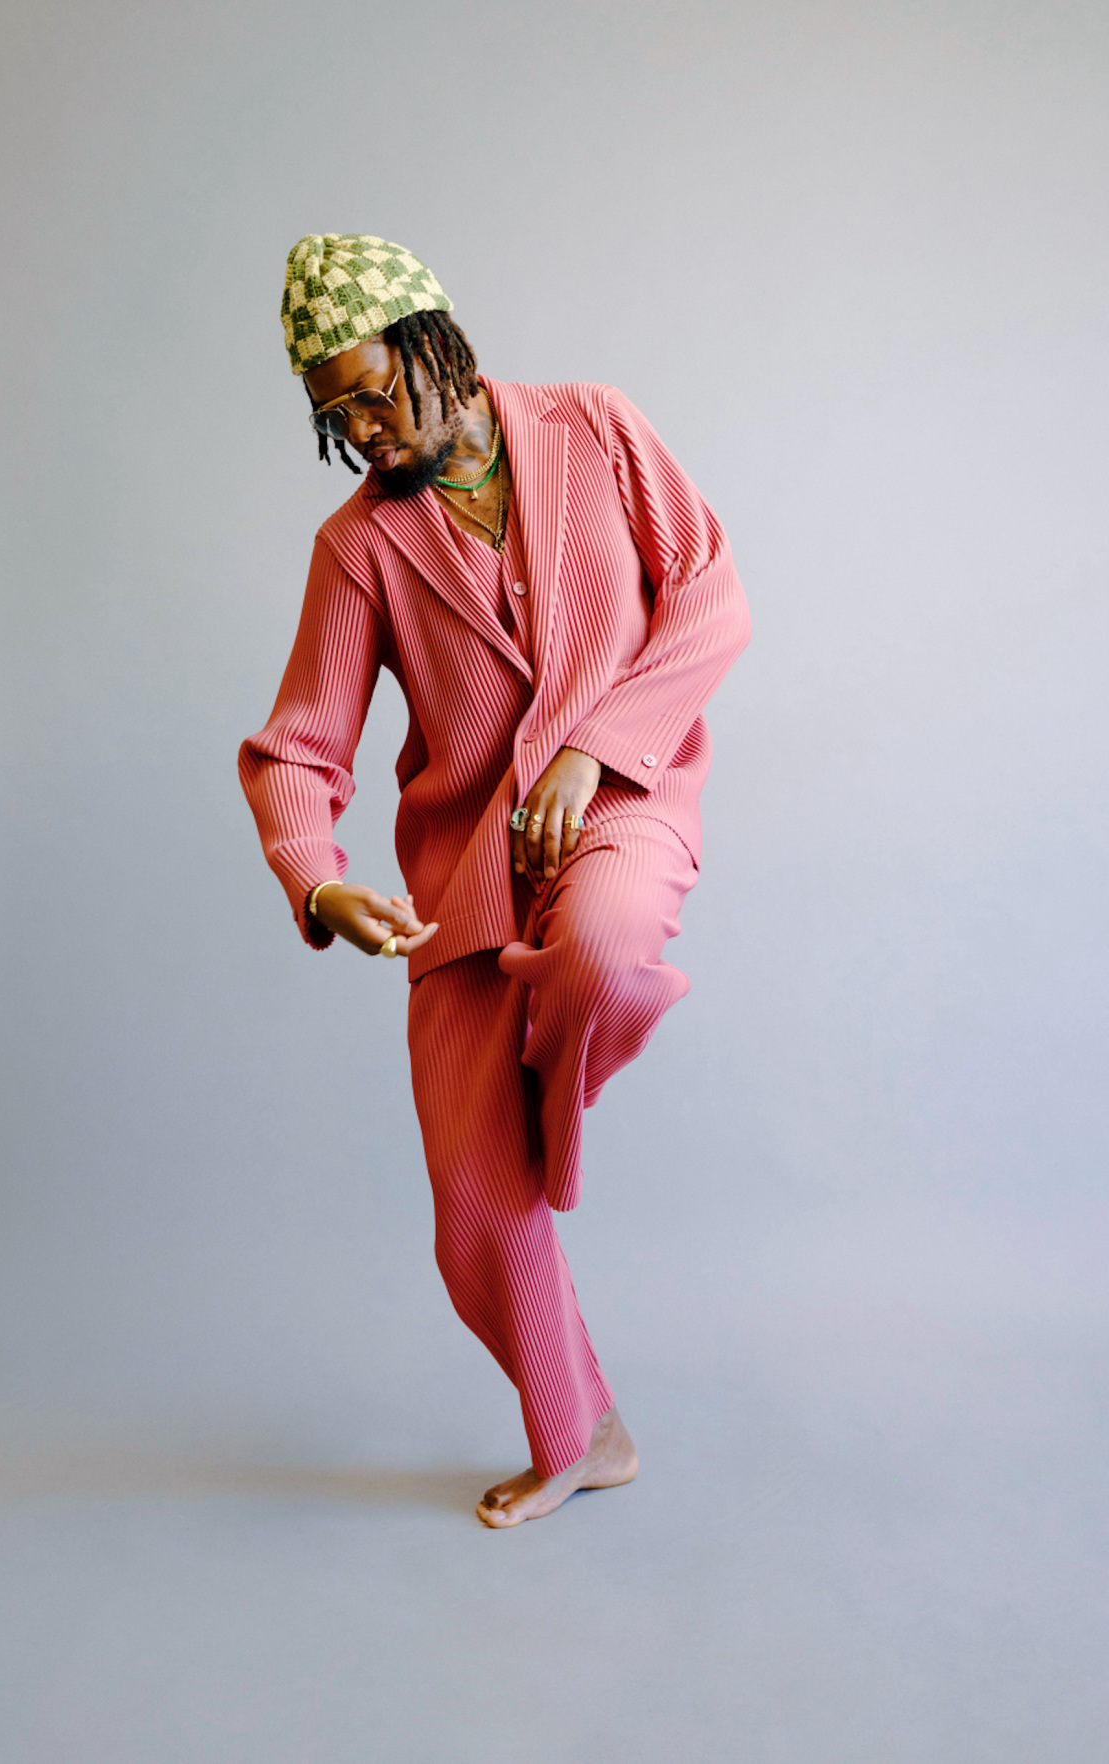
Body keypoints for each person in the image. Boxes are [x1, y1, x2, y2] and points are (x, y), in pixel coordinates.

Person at [240, 234, 749, 1527]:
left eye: (371, 391)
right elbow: (300, 740)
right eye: (331, 414)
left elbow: (710, 596)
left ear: (434, 345)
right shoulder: (359, 546)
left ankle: (562, 1101)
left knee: (606, 950)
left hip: (619, 808)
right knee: (472, 1207)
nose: (360, 428)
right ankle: (582, 1432)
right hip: (461, 883)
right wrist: (317, 880)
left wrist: (591, 752)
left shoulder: (596, 428)